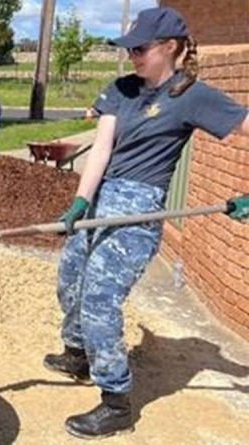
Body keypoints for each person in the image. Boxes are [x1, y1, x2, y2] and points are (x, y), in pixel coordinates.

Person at [46, 6, 249, 440]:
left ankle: (115, 401)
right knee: (70, 279)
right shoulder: (121, 89)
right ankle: (78, 353)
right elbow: (101, 149)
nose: (133, 56)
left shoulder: (191, 95)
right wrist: (80, 202)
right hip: (100, 197)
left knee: (100, 299)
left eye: (140, 48)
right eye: (130, 48)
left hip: (140, 207)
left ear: (171, 47)